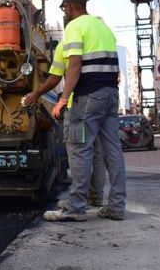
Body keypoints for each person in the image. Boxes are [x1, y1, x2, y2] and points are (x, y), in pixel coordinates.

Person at [42, 0, 127, 221]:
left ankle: (75, 207)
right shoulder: (103, 28)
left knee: (79, 149)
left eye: (64, 9)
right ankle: (117, 207)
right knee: (113, 151)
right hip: (110, 96)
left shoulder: (75, 27)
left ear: (69, 7)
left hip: (88, 98)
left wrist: (62, 98)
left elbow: (74, 65)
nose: (65, 13)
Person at [23, 41, 105, 207]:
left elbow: (55, 77)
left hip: (77, 105)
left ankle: (77, 203)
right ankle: (96, 196)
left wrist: (51, 97)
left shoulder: (67, 44)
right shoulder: (101, 44)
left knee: (78, 154)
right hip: (102, 102)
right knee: (98, 153)